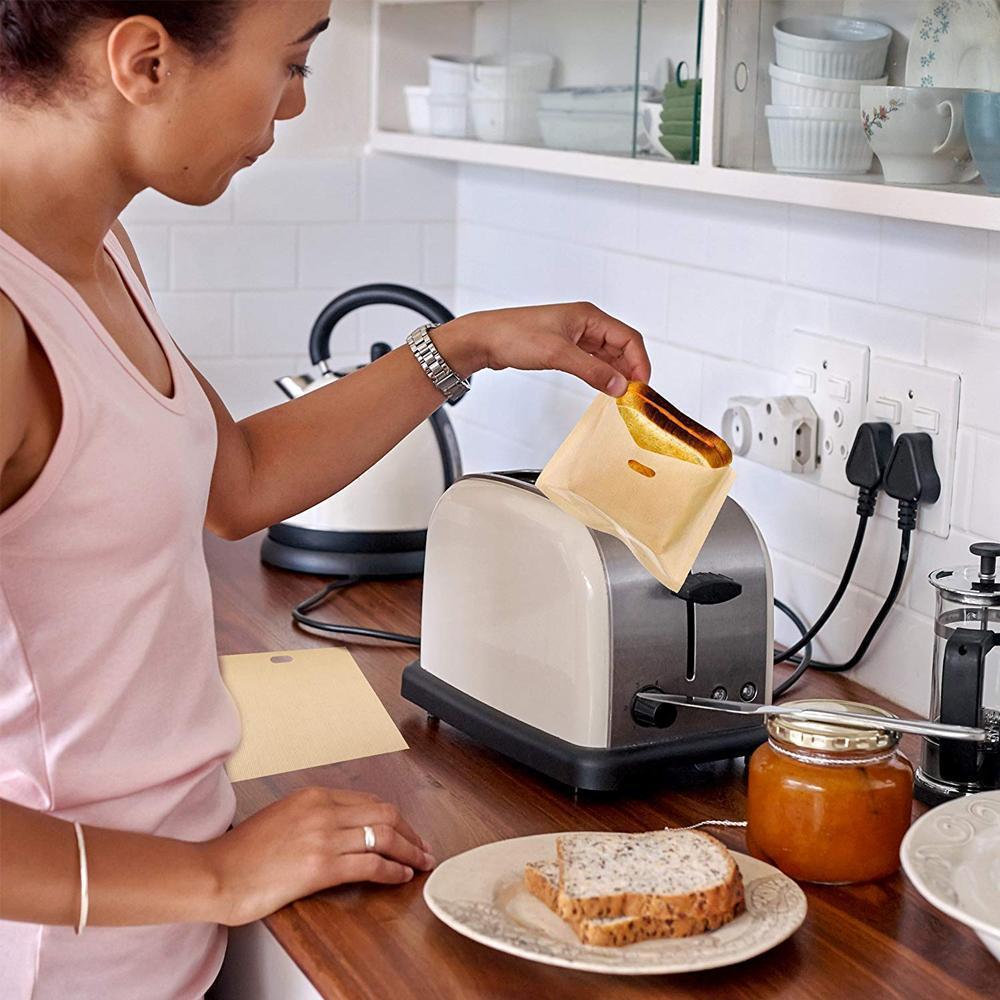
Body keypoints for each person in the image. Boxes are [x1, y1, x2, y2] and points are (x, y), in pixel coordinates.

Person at [0, 1, 651, 996]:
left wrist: (463, 345)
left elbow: (238, 479)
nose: (296, 101)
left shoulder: (95, 252)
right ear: (146, 61)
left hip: (150, 947)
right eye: (292, 61)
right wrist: (216, 871)